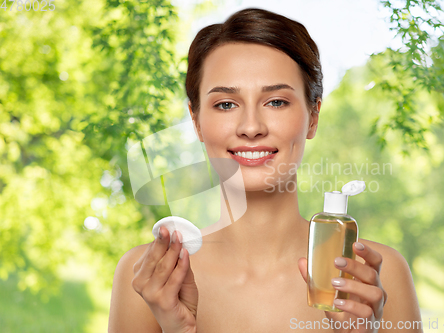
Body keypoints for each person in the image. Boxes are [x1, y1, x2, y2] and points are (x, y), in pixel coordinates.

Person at [108, 7, 423, 333]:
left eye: (276, 102)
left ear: (313, 117)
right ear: (196, 120)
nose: (251, 127)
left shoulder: (376, 280)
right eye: (226, 104)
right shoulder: (148, 280)